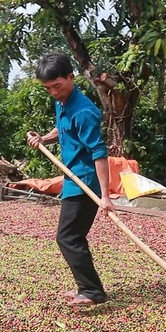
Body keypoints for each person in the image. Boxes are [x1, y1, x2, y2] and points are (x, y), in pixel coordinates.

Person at [26, 52, 115, 307]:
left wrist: (105, 197)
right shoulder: (61, 103)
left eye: (58, 86)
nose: (54, 93)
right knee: (72, 236)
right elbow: (62, 131)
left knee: (68, 237)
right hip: (71, 179)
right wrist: (43, 138)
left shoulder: (84, 110)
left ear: (70, 77)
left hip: (85, 182)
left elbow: (99, 152)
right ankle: (87, 288)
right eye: (48, 89)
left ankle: (92, 291)